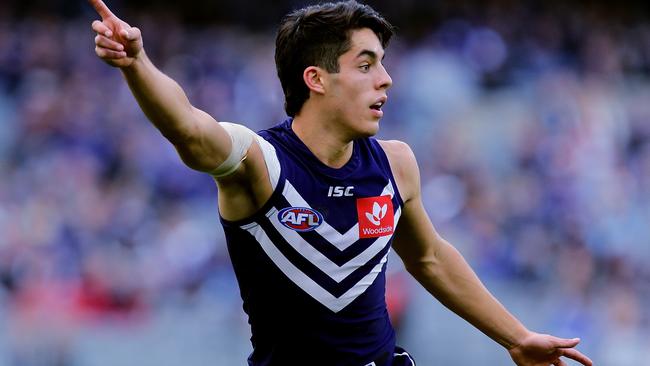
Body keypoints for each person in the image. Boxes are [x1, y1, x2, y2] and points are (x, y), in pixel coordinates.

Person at [88, 0, 593, 365]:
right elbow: (188, 127)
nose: (386, 79)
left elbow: (429, 257)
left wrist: (515, 337)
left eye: (384, 63)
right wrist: (137, 64)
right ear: (316, 79)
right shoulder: (261, 162)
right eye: (366, 64)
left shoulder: (395, 164)